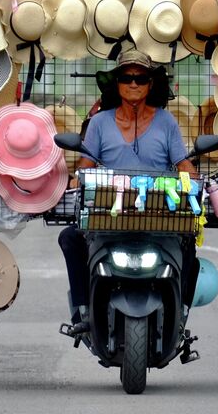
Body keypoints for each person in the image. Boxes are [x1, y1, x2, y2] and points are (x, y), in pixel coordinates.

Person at [57, 49, 197, 334]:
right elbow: (86, 165)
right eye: (127, 78)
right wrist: (75, 182)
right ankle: (82, 310)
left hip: (159, 215)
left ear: (150, 85)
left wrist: (195, 185)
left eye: (141, 78)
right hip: (110, 215)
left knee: (190, 242)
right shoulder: (98, 123)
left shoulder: (167, 122)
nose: (133, 84)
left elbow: (183, 165)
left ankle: (181, 314)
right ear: (117, 83)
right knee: (70, 237)